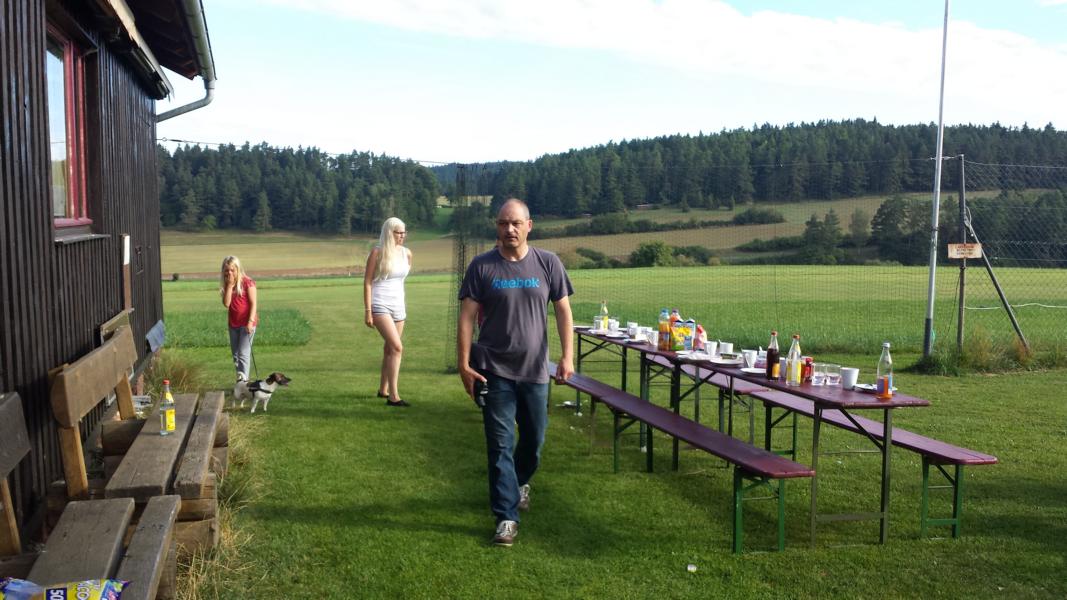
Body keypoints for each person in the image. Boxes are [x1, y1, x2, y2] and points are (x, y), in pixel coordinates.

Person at [457, 198, 574, 547]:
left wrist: (567, 357)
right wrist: (464, 364)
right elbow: (466, 318)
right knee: (500, 445)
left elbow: (563, 311)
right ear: (497, 226)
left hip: (535, 370)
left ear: (529, 226)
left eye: (515, 223)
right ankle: (506, 518)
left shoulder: (548, 263)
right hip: (494, 370)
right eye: (503, 223)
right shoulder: (482, 266)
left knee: (534, 441)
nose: (509, 229)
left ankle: (519, 481)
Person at [364, 217, 413, 407]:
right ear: (389, 233)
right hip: (380, 304)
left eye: (404, 232)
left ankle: (383, 390)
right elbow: (368, 282)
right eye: (398, 232)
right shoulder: (377, 253)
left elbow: (400, 280)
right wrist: (368, 311)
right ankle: (394, 396)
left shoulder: (407, 253)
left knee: (389, 349)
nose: (402, 235)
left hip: (398, 306)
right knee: (397, 347)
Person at [220, 256, 258, 382]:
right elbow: (226, 304)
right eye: (227, 270)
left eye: (232, 270)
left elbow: (253, 304)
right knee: (236, 355)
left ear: (238, 269)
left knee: (243, 354)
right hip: (233, 324)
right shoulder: (227, 284)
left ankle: (244, 383)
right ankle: (240, 380)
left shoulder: (248, 282)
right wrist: (230, 286)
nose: (229, 273)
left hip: (247, 323)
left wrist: (250, 322)